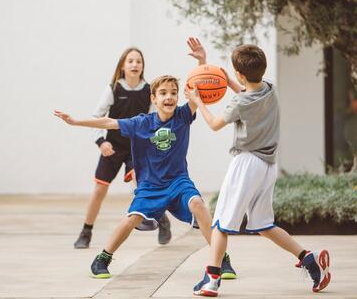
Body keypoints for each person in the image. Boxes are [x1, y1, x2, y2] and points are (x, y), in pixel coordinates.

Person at [54, 38, 236, 279]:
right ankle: (102, 259)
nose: (169, 97)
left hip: (178, 182)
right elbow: (109, 122)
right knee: (132, 219)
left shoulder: (182, 116)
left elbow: (200, 87)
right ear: (153, 98)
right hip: (150, 186)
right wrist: (76, 121)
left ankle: (220, 259)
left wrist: (202, 60)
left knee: (199, 205)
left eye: (173, 93)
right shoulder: (141, 123)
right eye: (163, 93)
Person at [190, 42, 331, 296]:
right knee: (264, 225)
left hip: (246, 163)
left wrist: (198, 101)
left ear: (240, 74)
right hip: (268, 166)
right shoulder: (269, 89)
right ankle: (309, 259)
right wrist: (216, 71)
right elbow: (244, 89)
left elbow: (214, 124)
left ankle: (212, 279)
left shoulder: (240, 104)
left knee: (220, 223)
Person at [73, 47, 172, 249]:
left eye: (139, 61)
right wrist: (102, 142)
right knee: (100, 189)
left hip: (137, 147)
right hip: (113, 147)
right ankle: (86, 231)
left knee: (140, 183)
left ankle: (158, 219)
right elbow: (97, 117)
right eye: (131, 61)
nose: (135, 64)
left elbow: (155, 120)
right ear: (123, 65)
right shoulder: (113, 89)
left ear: (143, 66)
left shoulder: (148, 90)